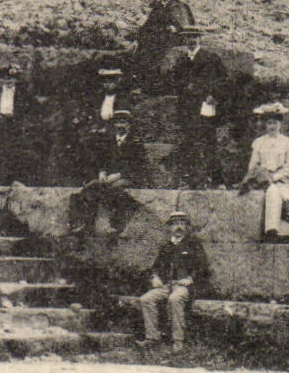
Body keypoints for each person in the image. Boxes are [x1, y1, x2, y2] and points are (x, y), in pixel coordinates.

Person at [238, 103, 289, 243]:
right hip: (263, 181)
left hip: (283, 181)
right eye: (269, 123)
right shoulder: (259, 142)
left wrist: (275, 177)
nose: (272, 126)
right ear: (265, 125)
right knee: (273, 192)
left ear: (280, 124)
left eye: (275, 123)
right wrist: (264, 176)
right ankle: (271, 231)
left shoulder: (287, 143)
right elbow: (253, 166)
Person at [138, 210, 210, 350]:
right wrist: (155, 277)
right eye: (175, 224)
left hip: (184, 286)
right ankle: (152, 338)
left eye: (182, 223)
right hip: (166, 285)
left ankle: (178, 341)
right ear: (170, 227)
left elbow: (203, 267)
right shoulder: (166, 246)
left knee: (175, 299)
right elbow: (156, 267)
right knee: (146, 299)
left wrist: (190, 279)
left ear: (186, 227)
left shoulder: (193, 245)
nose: (179, 227)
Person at [67, 110, 147, 235]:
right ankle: (86, 224)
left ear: (129, 125)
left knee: (115, 189)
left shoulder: (136, 143)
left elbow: (136, 165)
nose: (120, 125)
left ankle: (115, 225)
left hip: (127, 177)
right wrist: (102, 172)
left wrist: (119, 175)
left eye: (123, 122)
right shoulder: (109, 142)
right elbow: (103, 160)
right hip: (109, 177)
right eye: (117, 122)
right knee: (90, 187)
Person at [166, 26, 226, 187]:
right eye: (188, 37)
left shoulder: (211, 58)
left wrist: (214, 95)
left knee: (209, 142)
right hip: (187, 108)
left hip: (205, 106)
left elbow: (223, 80)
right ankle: (194, 180)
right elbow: (176, 82)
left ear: (199, 38)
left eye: (194, 36)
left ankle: (217, 180)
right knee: (190, 143)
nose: (191, 40)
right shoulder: (181, 60)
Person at [134, 0, 194, 87]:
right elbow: (147, 25)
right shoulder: (157, 7)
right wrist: (137, 39)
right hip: (155, 40)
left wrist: (176, 29)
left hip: (172, 40)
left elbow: (185, 25)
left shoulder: (178, 6)